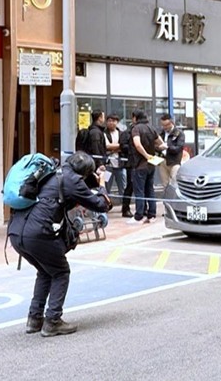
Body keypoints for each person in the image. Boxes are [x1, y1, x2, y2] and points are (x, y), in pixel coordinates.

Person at [7, 152, 110, 337]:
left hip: (16, 232)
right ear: (85, 172)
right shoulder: (73, 180)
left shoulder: (52, 173)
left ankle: (34, 319)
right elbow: (100, 204)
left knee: (46, 271)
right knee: (61, 272)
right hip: (37, 234)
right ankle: (53, 321)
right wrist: (102, 183)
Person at [127, 109, 163, 224]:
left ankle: (139, 216)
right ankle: (152, 214)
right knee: (150, 189)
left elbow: (137, 144)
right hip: (151, 165)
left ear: (135, 117)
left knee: (139, 191)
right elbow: (161, 143)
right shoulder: (151, 128)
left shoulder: (136, 129)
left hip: (139, 164)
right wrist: (154, 152)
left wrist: (146, 155)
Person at [103, 113, 126, 203]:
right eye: (109, 121)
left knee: (122, 186)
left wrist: (114, 148)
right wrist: (119, 147)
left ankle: (124, 205)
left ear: (117, 122)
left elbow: (125, 146)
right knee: (106, 186)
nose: (111, 123)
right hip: (108, 165)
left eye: (113, 121)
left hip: (120, 164)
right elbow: (107, 146)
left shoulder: (121, 134)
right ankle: (106, 205)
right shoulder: (104, 133)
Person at [157, 114, 185, 188]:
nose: (164, 127)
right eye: (163, 125)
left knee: (174, 183)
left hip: (174, 162)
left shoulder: (179, 133)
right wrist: (158, 148)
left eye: (166, 125)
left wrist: (167, 147)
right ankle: (166, 195)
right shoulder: (162, 134)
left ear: (172, 123)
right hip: (163, 161)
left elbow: (178, 148)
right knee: (165, 184)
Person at [118, 117, 135, 218]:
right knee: (130, 186)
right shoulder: (126, 134)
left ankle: (144, 208)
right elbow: (123, 146)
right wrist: (134, 147)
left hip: (142, 163)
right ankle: (125, 208)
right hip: (131, 163)